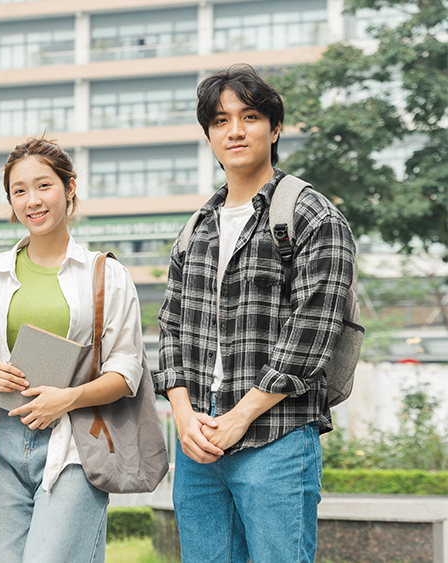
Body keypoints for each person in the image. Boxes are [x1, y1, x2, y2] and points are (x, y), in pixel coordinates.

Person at [154, 64, 357, 562]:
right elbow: (170, 325)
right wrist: (183, 416)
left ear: (275, 127)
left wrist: (240, 417)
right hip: (199, 447)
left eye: (249, 116)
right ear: (209, 135)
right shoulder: (197, 227)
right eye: (221, 121)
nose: (235, 130)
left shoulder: (311, 215)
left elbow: (312, 331)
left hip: (276, 439)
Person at [0, 137, 145, 563]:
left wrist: (68, 398)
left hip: (75, 442)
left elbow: (126, 370)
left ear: (69, 187)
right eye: (19, 191)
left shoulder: (106, 274)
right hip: (0, 438)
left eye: (44, 186)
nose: (32, 201)